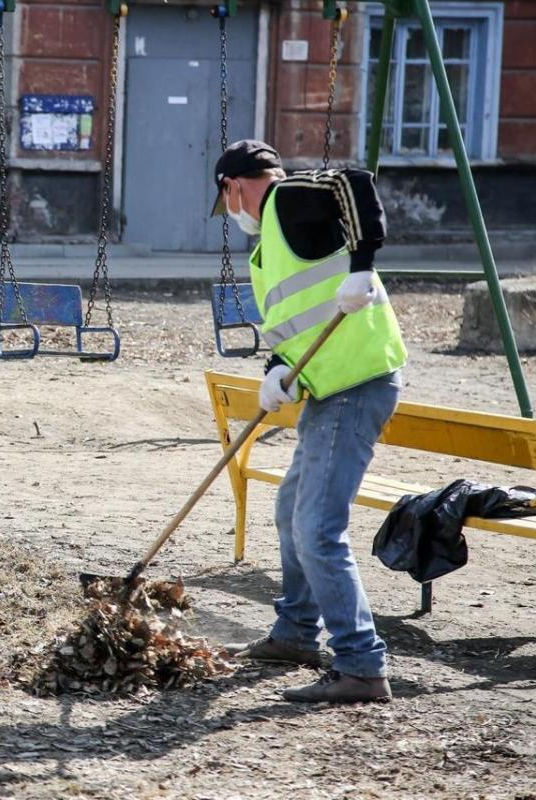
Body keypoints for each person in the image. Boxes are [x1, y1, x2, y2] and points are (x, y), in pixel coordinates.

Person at [212, 140, 407, 704]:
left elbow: (356, 183)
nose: (232, 212)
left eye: (227, 199)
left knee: (317, 529)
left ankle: (362, 665)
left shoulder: (287, 196)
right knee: (289, 509)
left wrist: (364, 267)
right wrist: (277, 370)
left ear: (233, 185)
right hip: (329, 386)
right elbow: (296, 319)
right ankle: (296, 634)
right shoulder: (271, 240)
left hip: (355, 382)